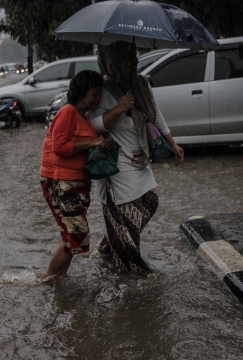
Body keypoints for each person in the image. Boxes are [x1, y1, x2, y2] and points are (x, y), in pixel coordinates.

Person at [88, 41, 184, 274]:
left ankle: (110, 246)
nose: (136, 62)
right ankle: (133, 277)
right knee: (128, 228)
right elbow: (93, 124)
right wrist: (119, 108)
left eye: (136, 56)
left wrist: (172, 143)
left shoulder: (140, 83)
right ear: (115, 61)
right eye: (130, 58)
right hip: (117, 167)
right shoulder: (102, 91)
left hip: (141, 158)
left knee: (151, 201)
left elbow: (156, 112)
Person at [39, 70, 108, 282]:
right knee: (78, 235)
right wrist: (93, 142)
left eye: (99, 95)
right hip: (59, 182)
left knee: (71, 236)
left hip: (77, 184)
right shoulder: (67, 112)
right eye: (94, 94)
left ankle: (59, 278)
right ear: (81, 92)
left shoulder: (85, 118)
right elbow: (60, 147)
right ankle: (47, 278)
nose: (97, 99)